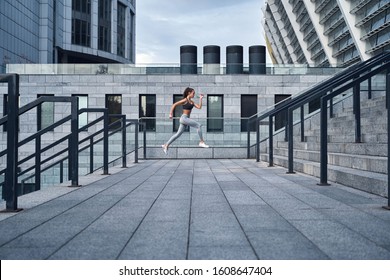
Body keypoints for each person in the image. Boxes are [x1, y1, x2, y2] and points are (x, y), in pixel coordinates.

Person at [162, 87, 209, 154]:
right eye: (193, 93)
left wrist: (201, 99)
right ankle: (201, 142)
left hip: (186, 119)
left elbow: (199, 107)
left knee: (178, 134)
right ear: (189, 93)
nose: (194, 94)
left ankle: (166, 145)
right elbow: (174, 104)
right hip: (184, 118)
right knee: (199, 125)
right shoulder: (185, 100)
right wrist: (170, 114)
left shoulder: (192, 102)